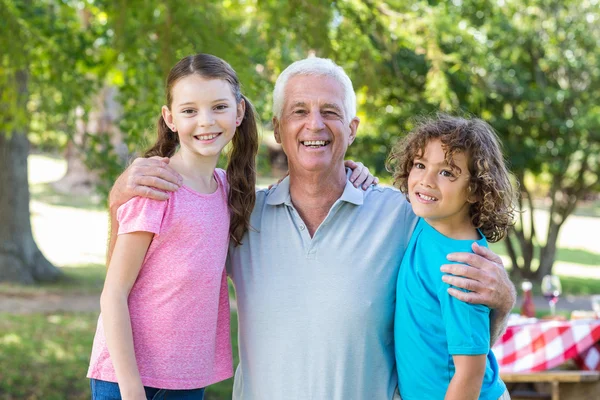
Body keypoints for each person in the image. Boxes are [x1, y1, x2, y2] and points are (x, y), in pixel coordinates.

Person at [108, 57, 516, 400]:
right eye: (299, 111)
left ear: (352, 129)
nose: (315, 125)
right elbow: (136, 280)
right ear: (278, 128)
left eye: (330, 112)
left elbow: (456, 320)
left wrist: (503, 298)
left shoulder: (403, 216)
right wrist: (117, 202)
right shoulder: (238, 212)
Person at [87, 53, 260, 400]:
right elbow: (114, 293)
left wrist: (348, 171)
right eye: (190, 110)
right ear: (170, 118)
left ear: (239, 112)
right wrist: (131, 390)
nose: (206, 121)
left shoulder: (229, 189)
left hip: (188, 380)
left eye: (219, 107)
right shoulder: (155, 188)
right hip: (132, 381)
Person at [388, 115, 514, 400]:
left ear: (474, 189)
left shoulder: (464, 269)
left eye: (446, 173)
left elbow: (469, 372)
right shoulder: (429, 222)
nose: (426, 181)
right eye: (420, 165)